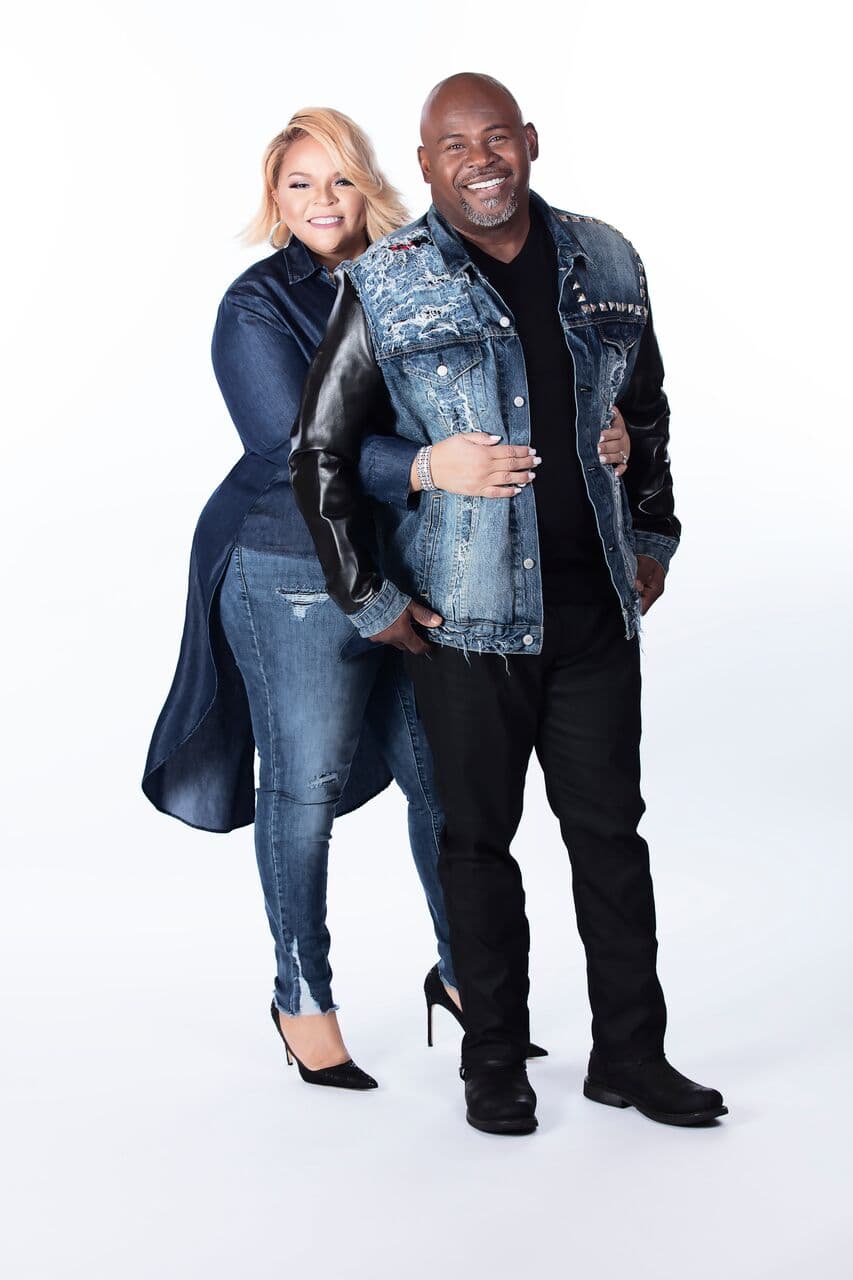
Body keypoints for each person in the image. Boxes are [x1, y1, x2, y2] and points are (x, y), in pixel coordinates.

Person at [143, 108, 616, 1087]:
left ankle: (463, 976)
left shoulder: (420, 274)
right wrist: (428, 465)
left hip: (411, 561)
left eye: (339, 180)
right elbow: (292, 448)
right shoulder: (255, 307)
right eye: (298, 183)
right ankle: (301, 996)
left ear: (371, 185)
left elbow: (494, 385)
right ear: (274, 198)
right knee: (305, 785)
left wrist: (596, 433)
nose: (321, 201)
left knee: (442, 779)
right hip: (289, 568)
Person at [290, 74, 727, 1132]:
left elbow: (647, 410)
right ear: (425, 164)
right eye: (453, 145)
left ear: (528, 142)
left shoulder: (605, 257)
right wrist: (368, 597)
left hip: (594, 616)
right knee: (476, 847)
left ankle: (630, 1057)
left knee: (610, 840)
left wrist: (652, 534)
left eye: (495, 138)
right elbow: (321, 452)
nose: (479, 160)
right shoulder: (387, 278)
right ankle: (492, 1061)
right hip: (467, 620)